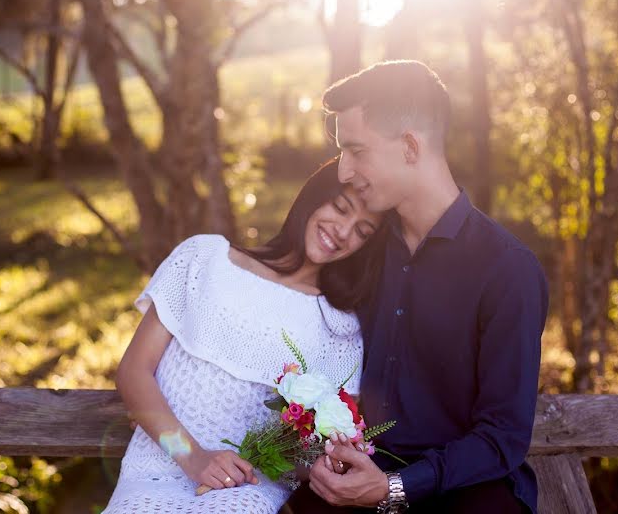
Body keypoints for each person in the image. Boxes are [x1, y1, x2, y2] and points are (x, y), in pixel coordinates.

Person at [283, 60, 549, 514]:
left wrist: (395, 488)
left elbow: (502, 436)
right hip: (356, 473)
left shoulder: (508, 270)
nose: (344, 171)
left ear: (409, 146)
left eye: (356, 150)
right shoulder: (357, 249)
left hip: (466, 491)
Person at [101, 158, 386, 514]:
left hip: (246, 488)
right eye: (341, 209)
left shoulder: (340, 326)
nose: (344, 232)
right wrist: (193, 458)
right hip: (155, 469)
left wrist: (322, 462)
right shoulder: (204, 258)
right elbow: (134, 371)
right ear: (312, 197)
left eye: (362, 232)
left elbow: (313, 452)